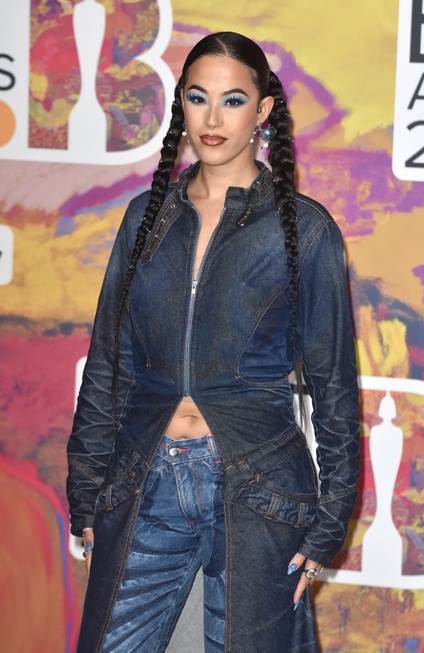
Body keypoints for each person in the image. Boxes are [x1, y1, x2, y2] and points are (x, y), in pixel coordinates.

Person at [67, 31, 360, 653]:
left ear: (263, 111)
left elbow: (334, 387)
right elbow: (110, 364)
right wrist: (87, 490)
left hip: (260, 487)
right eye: (198, 98)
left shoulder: (304, 229)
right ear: (182, 103)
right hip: (146, 478)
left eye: (233, 100)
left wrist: (331, 517)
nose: (213, 119)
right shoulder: (146, 218)